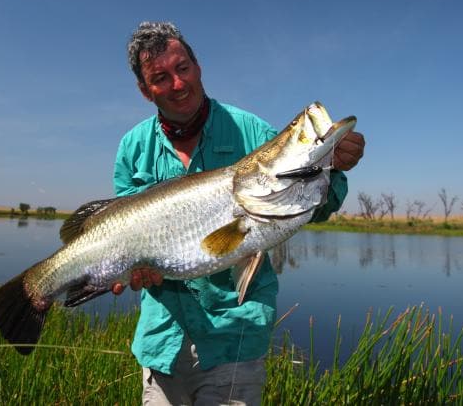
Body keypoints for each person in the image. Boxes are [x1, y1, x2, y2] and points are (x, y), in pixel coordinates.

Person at [112, 22, 365, 405]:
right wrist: (137, 268)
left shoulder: (251, 129)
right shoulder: (132, 147)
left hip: (235, 341)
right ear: (145, 91)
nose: (177, 83)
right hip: (161, 340)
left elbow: (316, 205)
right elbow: (123, 227)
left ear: (198, 67)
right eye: (160, 77)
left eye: (183, 68)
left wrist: (334, 168)